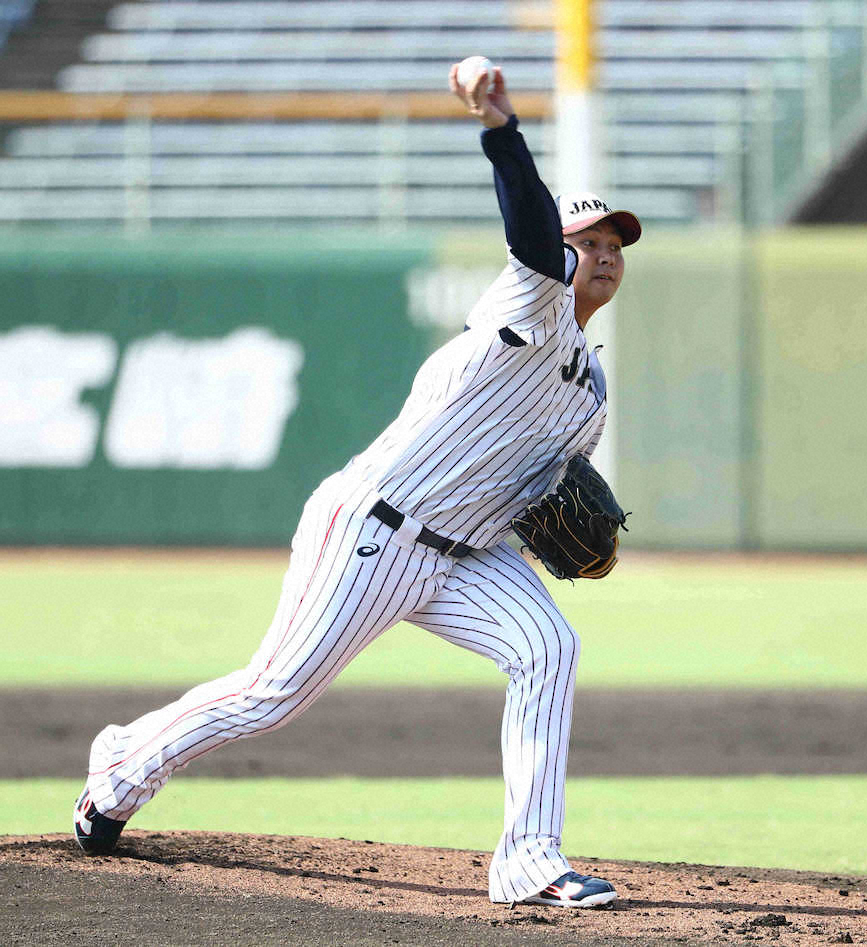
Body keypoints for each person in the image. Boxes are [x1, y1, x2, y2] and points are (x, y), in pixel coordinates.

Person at [73, 62, 641, 910]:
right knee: (273, 694)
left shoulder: (590, 388)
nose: (601, 255)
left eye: (613, 246)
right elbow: (528, 225)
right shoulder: (533, 299)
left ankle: (528, 859)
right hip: (373, 529)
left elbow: (538, 497)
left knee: (548, 648)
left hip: (465, 555)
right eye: (588, 241)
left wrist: (574, 542)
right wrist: (501, 130)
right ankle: (121, 764)